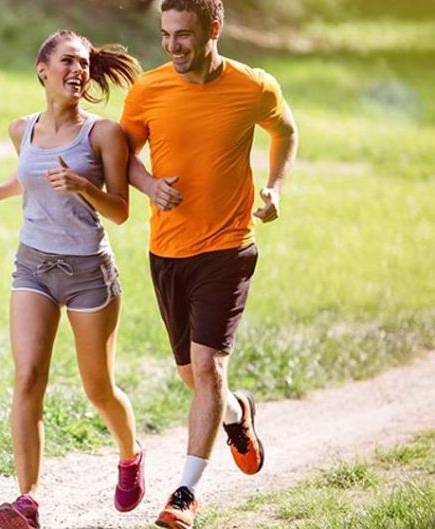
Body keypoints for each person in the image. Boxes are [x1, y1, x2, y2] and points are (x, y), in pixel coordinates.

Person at [120, 1, 298, 528]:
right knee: (191, 377)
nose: (173, 46)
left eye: (184, 35)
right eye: (165, 35)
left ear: (214, 29)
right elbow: (123, 154)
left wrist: (274, 188)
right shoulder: (148, 90)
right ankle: (238, 414)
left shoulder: (253, 86)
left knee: (206, 367)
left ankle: (184, 495)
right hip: (168, 251)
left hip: (229, 246)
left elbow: (284, 131)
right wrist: (149, 183)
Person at [0, 30, 144, 529]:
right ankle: (27, 499)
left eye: (85, 64)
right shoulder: (20, 129)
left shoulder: (103, 134)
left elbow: (120, 212)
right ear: (42, 69)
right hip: (33, 266)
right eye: (68, 61)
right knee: (27, 379)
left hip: (90, 272)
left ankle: (131, 454)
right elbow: (28, 175)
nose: (79, 70)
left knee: (98, 390)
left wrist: (83, 185)